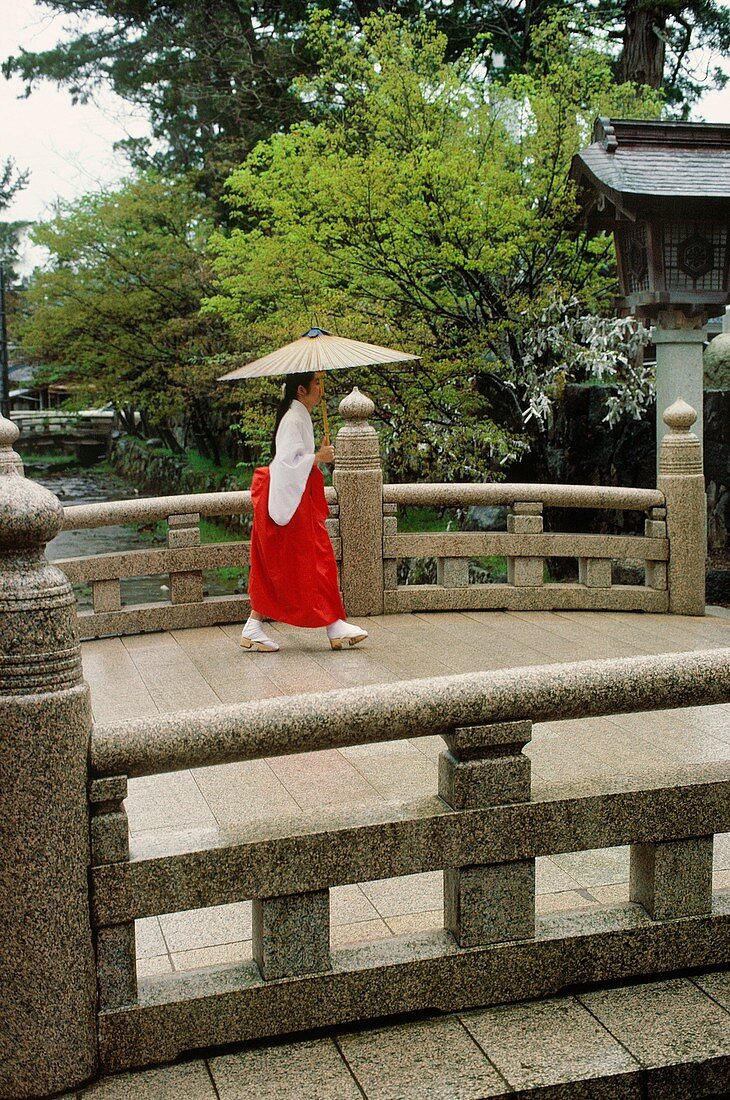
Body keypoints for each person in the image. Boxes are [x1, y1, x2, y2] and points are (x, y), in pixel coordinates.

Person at [240, 371, 368, 652]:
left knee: (286, 563)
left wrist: (314, 457)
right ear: (301, 389)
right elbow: (287, 462)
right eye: (317, 383)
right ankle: (333, 625)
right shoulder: (294, 417)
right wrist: (317, 457)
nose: (321, 388)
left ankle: (259, 625)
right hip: (289, 499)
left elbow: (293, 461)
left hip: (293, 496)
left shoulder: (298, 415)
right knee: (315, 557)